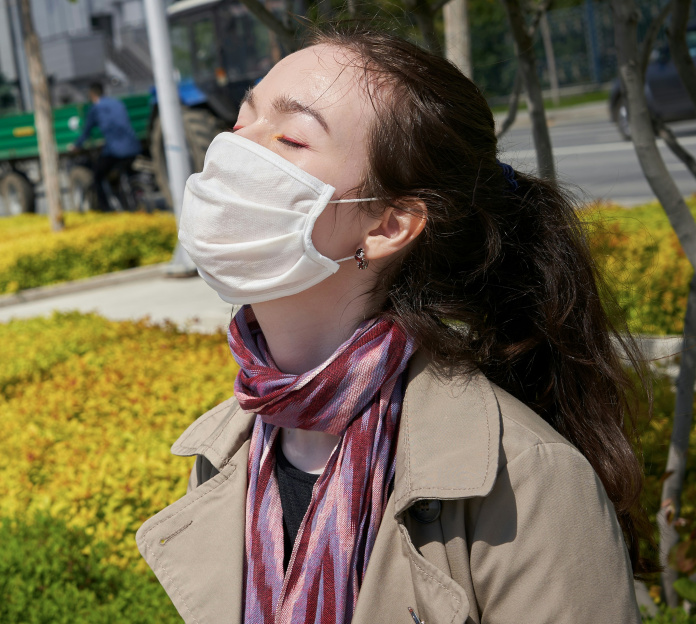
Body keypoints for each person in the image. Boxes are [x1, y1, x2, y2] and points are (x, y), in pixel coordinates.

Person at [136, 27, 649, 623]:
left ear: (387, 226)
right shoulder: (230, 450)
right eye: (241, 120)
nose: (233, 150)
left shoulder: (527, 481)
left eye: (290, 138)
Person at [72, 82, 141, 212]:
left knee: (97, 175)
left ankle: (106, 209)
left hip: (115, 150)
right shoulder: (118, 103)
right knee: (125, 171)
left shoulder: (96, 108)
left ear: (92, 95)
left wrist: (76, 145)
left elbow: (87, 131)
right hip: (134, 146)